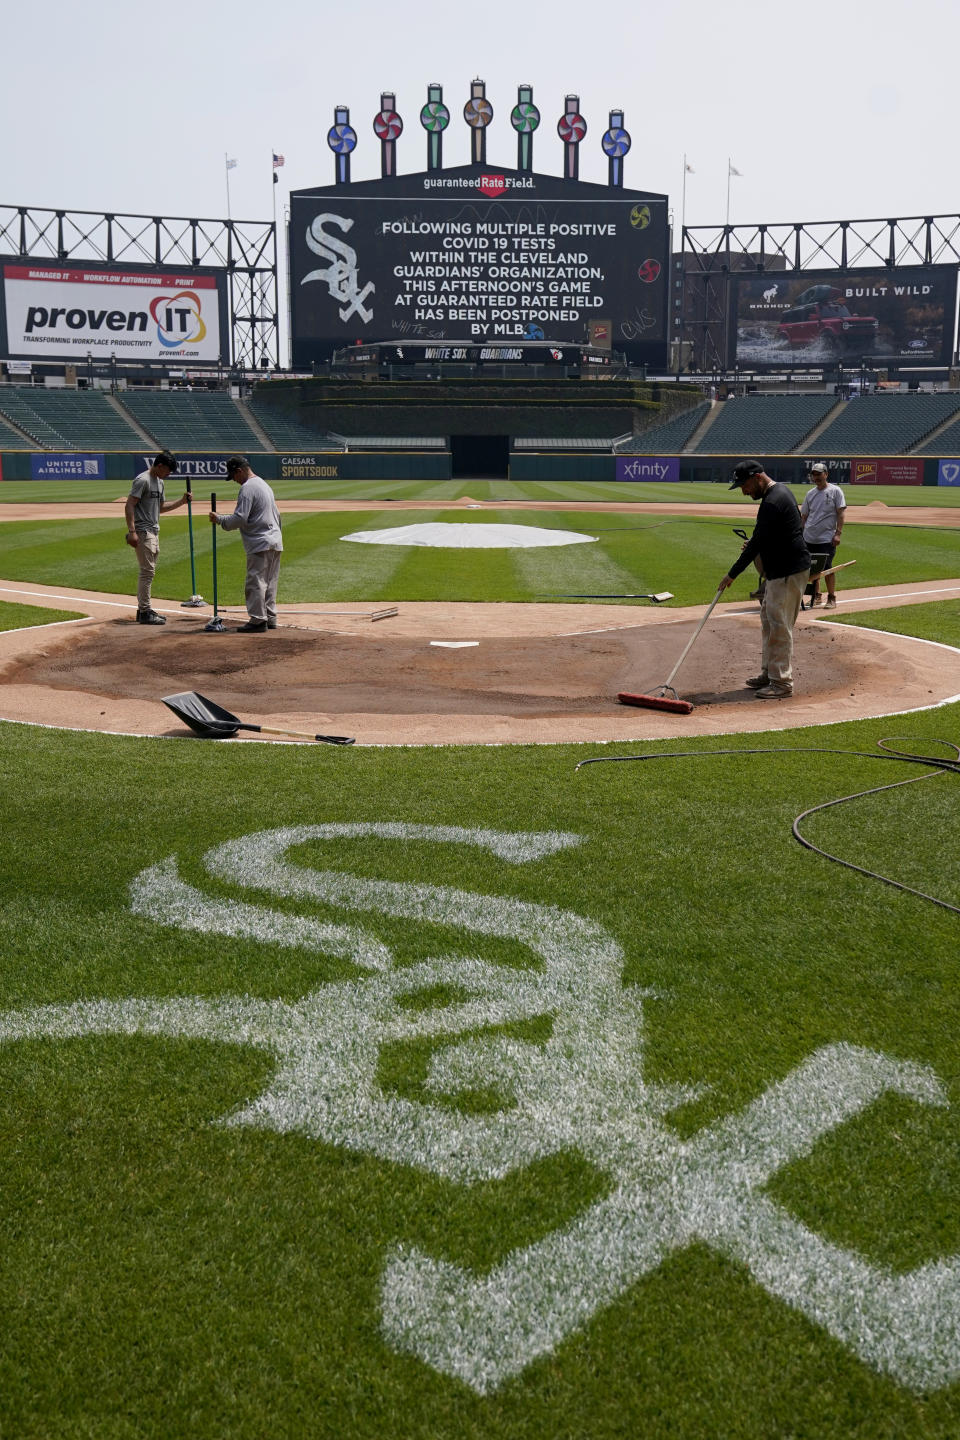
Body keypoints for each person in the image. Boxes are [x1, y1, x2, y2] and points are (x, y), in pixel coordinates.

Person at [719, 460, 811, 699]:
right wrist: (760, 544)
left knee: (780, 626)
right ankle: (769, 673)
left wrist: (731, 575)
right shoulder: (776, 495)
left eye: (745, 484)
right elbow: (769, 536)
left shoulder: (773, 501)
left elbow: (758, 543)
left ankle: (781, 683)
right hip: (779, 571)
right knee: (769, 621)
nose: (744, 490)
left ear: (758, 477)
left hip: (788, 572)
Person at [209, 456, 283, 632]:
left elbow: (240, 518)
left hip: (260, 541)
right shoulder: (264, 484)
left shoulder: (247, 488)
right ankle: (270, 618)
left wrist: (220, 519)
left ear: (239, 471)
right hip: (275, 539)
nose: (234, 480)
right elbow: (278, 515)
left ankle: (258, 620)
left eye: (233, 476)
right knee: (270, 582)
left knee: (256, 582)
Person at [124, 451, 189, 625]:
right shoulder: (143, 480)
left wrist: (181, 501)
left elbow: (160, 508)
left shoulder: (160, 482)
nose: (169, 474)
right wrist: (132, 531)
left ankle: (143, 610)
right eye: (168, 470)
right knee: (147, 572)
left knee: (149, 572)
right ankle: (145, 611)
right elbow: (129, 504)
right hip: (143, 531)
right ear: (159, 466)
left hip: (154, 531)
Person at [800, 461, 846, 608]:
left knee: (827, 569)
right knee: (811, 569)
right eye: (814, 474)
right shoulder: (810, 494)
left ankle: (832, 598)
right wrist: (799, 534)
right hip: (809, 537)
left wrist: (838, 533)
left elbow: (841, 514)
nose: (817, 477)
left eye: (819, 474)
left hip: (826, 538)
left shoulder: (835, 491)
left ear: (826, 474)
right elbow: (804, 517)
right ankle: (816, 596)